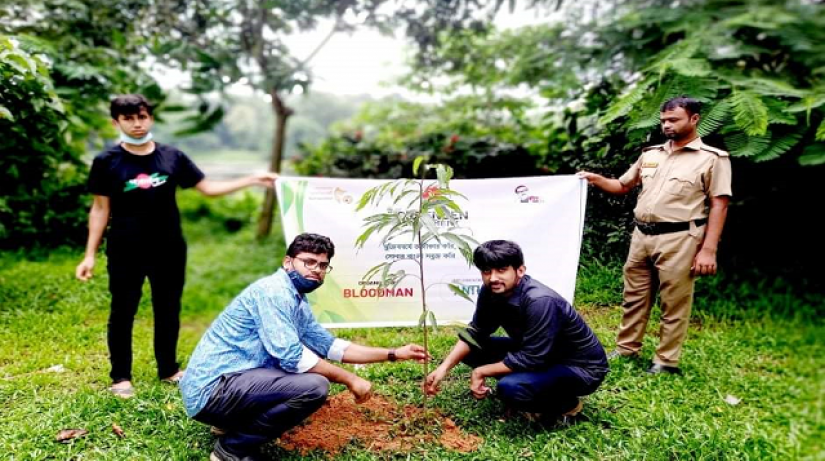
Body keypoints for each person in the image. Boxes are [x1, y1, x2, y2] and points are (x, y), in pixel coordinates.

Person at [75, 94, 278, 398]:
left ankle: (168, 369)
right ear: (115, 122)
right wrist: (89, 254)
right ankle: (120, 377)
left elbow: (208, 188)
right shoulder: (107, 161)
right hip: (125, 248)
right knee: (123, 310)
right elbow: (100, 209)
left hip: (169, 247)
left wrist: (251, 179)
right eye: (128, 118)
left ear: (151, 118)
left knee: (168, 309)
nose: (137, 124)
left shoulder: (172, 157)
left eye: (142, 116)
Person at [180, 233, 429, 461]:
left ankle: (230, 422)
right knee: (314, 386)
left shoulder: (296, 298)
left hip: (229, 385)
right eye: (308, 262)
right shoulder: (274, 292)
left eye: (322, 265)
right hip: (211, 392)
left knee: (302, 376)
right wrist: (350, 379)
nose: (316, 270)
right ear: (288, 262)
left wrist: (394, 354)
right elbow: (292, 357)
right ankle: (231, 448)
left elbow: (330, 346)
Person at [577, 96, 732, 375]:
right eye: (663, 120)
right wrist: (594, 179)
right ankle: (627, 349)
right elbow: (622, 185)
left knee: (674, 300)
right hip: (642, 235)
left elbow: (720, 204)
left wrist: (708, 250)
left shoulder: (712, 159)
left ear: (694, 119)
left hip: (681, 237)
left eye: (674, 120)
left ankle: (666, 360)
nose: (666, 125)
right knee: (633, 296)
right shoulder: (651, 154)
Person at [424, 240, 608, 422]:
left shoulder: (539, 300)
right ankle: (532, 384)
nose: (493, 277)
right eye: (487, 271)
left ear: (520, 270)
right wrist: (443, 368)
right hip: (539, 354)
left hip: (579, 368)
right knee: (473, 347)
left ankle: (567, 405)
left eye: (501, 270)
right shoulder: (490, 291)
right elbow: (475, 332)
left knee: (510, 388)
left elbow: (531, 357)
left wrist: (481, 372)